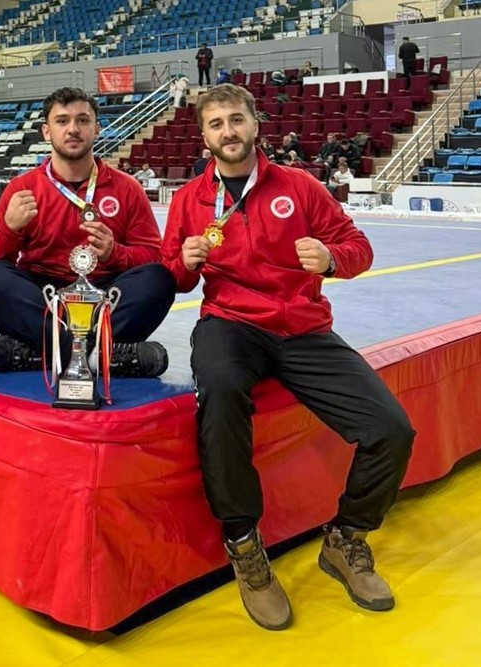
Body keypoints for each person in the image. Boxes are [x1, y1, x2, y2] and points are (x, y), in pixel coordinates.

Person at [161, 84, 414, 631]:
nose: (227, 132)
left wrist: (329, 259)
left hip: (302, 328)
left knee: (392, 429)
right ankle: (244, 545)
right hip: (230, 324)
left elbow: (357, 246)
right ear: (203, 136)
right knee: (222, 395)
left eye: (236, 119)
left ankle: (346, 539)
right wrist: (183, 261)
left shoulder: (299, 186)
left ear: (255, 124)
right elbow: (175, 278)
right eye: (215, 124)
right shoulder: (188, 200)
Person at [0, 86, 174, 378]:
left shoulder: (127, 188)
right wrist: (10, 229)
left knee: (159, 280)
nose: (73, 129)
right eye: (62, 121)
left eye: (82, 120)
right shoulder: (21, 189)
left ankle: (37, 353)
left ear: (96, 128)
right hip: (42, 300)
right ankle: (99, 354)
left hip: (105, 296)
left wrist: (115, 253)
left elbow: (154, 257)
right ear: (46, 131)